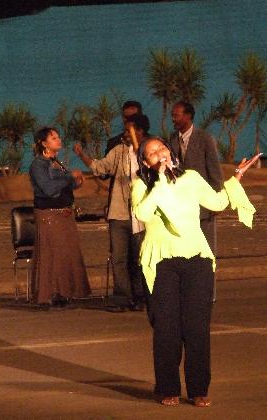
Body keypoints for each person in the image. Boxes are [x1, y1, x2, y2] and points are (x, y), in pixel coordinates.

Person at [131, 136, 258, 407]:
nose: (159, 153)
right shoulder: (141, 185)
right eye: (152, 153)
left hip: (197, 258)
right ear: (145, 162)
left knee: (197, 327)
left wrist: (236, 177)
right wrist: (161, 181)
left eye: (161, 148)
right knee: (167, 329)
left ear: (170, 151)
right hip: (161, 261)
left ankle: (199, 389)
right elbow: (142, 213)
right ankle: (168, 388)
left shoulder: (190, 177)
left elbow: (217, 202)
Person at [74, 114, 150, 312]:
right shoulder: (119, 151)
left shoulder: (151, 151)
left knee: (140, 258)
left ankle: (141, 297)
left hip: (141, 214)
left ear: (140, 131)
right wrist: (83, 156)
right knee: (119, 258)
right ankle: (122, 298)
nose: (124, 134)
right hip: (119, 213)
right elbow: (101, 168)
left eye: (129, 130)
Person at [29, 127, 91, 307]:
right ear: (43, 143)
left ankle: (65, 292)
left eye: (58, 137)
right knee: (51, 254)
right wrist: (69, 176)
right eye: (53, 138)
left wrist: (75, 182)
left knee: (65, 254)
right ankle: (49, 293)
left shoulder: (55, 162)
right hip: (50, 215)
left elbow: (63, 186)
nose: (58, 140)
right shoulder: (39, 164)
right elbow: (48, 188)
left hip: (63, 214)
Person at [170, 101, 223, 255]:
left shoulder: (205, 139)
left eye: (176, 115)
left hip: (204, 206)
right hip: (182, 207)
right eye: (172, 116)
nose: (173, 119)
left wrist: (216, 201)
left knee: (207, 252)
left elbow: (215, 171)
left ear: (188, 116)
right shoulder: (172, 139)